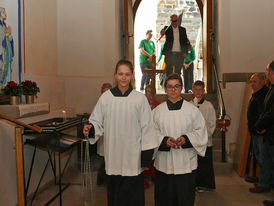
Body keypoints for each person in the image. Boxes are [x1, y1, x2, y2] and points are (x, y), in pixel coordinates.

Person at [83, 59, 158, 206]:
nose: (124, 77)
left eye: (127, 74)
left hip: (133, 158)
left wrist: (145, 158)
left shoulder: (139, 99)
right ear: (115, 75)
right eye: (120, 74)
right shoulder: (106, 98)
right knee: (115, 197)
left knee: (133, 198)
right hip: (114, 157)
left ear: (132, 76)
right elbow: (97, 121)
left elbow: (147, 128)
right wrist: (91, 128)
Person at [152, 73, 208, 206]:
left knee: (185, 200)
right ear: (165, 89)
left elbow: (201, 131)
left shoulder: (192, 110)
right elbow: (150, 133)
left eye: (176, 86)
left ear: (181, 87)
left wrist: (186, 139)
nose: (173, 89)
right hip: (164, 166)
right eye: (170, 86)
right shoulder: (157, 112)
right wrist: (164, 140)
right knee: (164, 200)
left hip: (186, 165)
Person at [254, 61, 274, 206]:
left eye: (267, 71)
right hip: (269, 133)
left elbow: (271, 113)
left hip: (271, 133)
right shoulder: (271, 88)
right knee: (267, 162)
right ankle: (266, 184)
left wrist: (261, 124)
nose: (266, 73)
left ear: (272, 72)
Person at [191, 80, 216, 192]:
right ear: (193, 91)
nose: (198, 92)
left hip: (205, 140)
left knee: (205, 164)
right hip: (193, 140)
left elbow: (212, 123)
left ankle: (205, 185)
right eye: (196, 89)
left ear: (204, 91)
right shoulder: (188, 104)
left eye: (200, 89)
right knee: (194, 163)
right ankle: (194, 184)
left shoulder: (208, 105)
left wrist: (205, 135)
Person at [246, 73, 269, 185]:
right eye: (251, 81)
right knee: (260, 157)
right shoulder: (256, 94)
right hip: (255, 131)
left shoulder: (265, 94)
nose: (252, 84)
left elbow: (263, 114)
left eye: (254, 81)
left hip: (261, 132)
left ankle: (265, 183)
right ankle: (263, 180)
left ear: (262, 81)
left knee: (264, 159)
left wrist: (261, 126)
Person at [96, 82, 112, 186]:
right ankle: (101, 181)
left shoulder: (114, 103)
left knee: (110, 160)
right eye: (104, 92)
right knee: (102, 160)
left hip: (111, 137)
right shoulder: (99, 104)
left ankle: (110, 180)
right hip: (103, 136)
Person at [0, 7, 14, 88]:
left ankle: (2, 85)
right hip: (1, 51)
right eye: (3, 12)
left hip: (6, 51)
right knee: (1, 68)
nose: (5, 14)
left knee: (5, 69)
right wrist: (6, 35)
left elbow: (8, 38)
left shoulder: (4, 26)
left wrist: (9, 35)